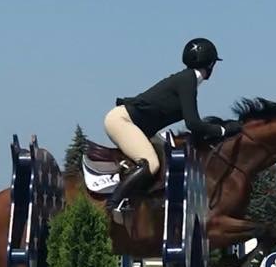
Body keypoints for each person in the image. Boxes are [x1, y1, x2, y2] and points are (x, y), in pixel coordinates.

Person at [103, 37, 243, 214]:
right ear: (210, 64)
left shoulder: (186, 79)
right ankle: (113, 205)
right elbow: (193, 123)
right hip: (122, 121)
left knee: (168, 162)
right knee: (151, 164)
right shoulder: (188, 80)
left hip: (136, 125)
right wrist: (224, 130)